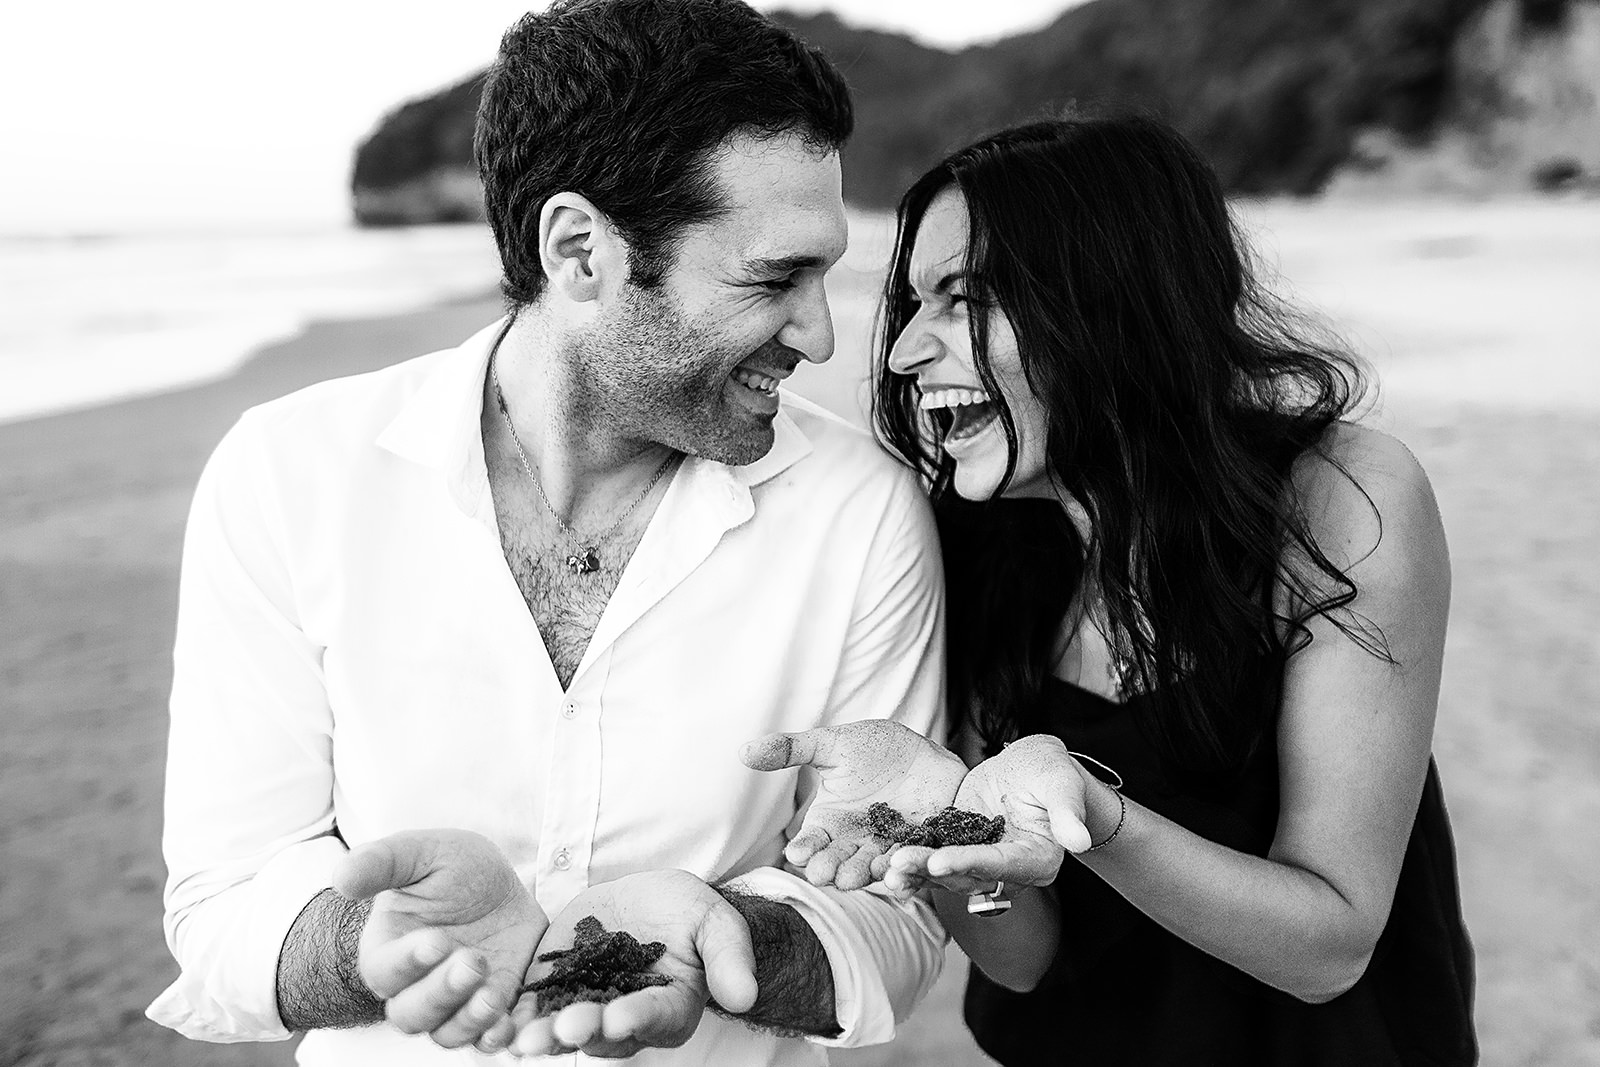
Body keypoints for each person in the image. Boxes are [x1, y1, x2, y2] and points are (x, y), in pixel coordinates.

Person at [147, 2, 952, 1063]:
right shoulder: (290, 474)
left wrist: (726, 940)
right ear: (580, 250)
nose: (818, 330)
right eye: (771, 278)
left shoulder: (860, 509)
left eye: (822, 273)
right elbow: (222, 898)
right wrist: (377, 947)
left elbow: (899, 916)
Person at [743, 114, 1477, 1065]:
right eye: (914, 303)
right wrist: (949, 832)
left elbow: (1330, 943)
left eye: (962, 298)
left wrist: (1092, 810)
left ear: (1113, 297)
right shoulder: (961, 543)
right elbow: (1023, 962)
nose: (901, 352)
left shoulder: (1338, 499)